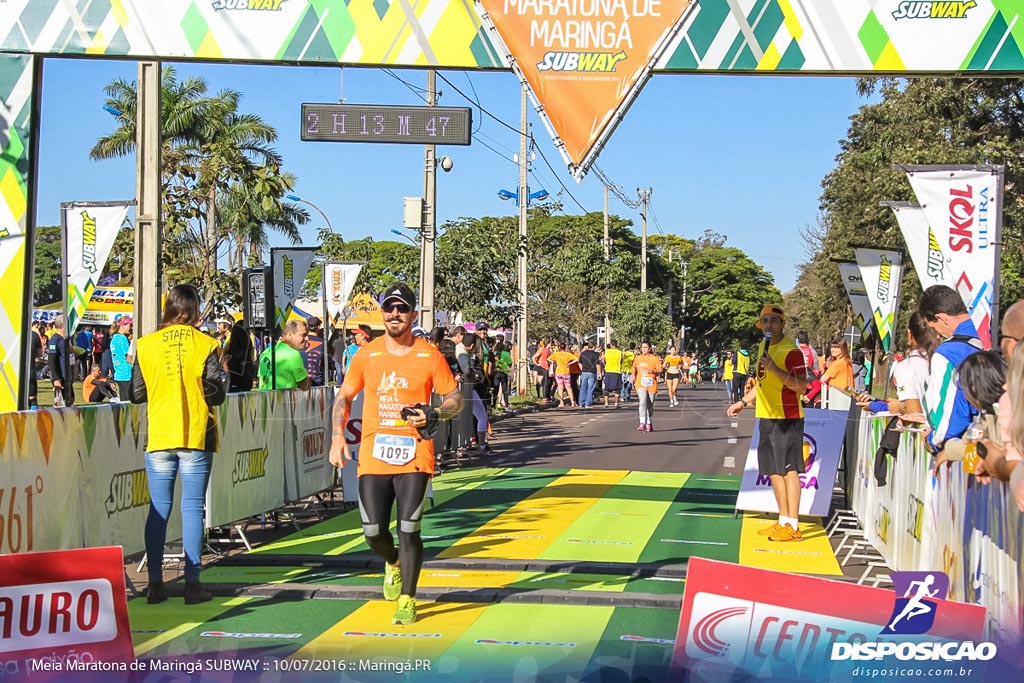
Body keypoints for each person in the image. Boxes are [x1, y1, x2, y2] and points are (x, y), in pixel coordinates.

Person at [328, 283, 462, 625]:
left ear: (413, 314)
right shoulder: (367, 353)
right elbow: (344, 396)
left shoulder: (429, 354)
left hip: (415, 453)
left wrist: (435, 413)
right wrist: (336, 437)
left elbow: (454, 399)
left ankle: (408, 598)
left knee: (409, 527)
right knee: (372, 531)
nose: (394, 314)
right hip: (374, 453)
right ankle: (392, 563)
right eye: (389, 308)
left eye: (402, 309)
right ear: (383, 314)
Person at [130, 284, 227, 605]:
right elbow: (217, 393)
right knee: (191, 509)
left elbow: (135, 394)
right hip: (197, 434)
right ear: (196, 310)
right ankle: (192, 584)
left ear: (168, 309)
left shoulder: (146, 346)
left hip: (159, 434)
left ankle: (155, 585)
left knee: (158, 510)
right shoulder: (207, 343)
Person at [727, 304, 808, 542]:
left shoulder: (790, 351)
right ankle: (783, 520)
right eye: (765, 321)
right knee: (773, 471)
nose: (769, 325)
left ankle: (793, 524)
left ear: (782, 324)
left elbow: (801, 386)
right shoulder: (763, 347)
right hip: (766, 415)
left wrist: (775, 369)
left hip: (787, 417)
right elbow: (761, 383)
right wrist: (743, 401)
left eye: (774, 320)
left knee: (788, 469)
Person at [918, 284, 982, 453]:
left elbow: (949, 423)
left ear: (942, 318)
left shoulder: (947, 353)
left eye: (933, 327)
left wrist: (931, 440)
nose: (937, 335)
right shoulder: (993, 331)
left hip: (974, 453)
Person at [257, 320, 311, 390]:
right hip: (284, 400)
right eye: (303, 335)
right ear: (290, 335)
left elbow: (260, 379)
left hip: (264, 399)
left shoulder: (266, 353)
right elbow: (304, 386)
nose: (307, 338)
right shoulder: (293, 355)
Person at [631, 341, 663, 432]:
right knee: (642, 400)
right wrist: (633, 375)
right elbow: (634, 368)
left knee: (650, 403)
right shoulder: (638, 358)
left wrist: (653, 371)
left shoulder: (654, 358)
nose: (643, 349)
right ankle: (642, 423)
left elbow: (660, 369)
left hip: (651, 383)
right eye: (642, 347)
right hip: (640, 382)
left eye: (645, 347)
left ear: (649, 349)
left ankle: (649, 423)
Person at [47, 314, 75, 407]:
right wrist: (56, 379)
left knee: (71, 399)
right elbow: (51, 359)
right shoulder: (54, 339)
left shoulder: (67, 339)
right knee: (61, 402)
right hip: (60, 376)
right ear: (63, 325)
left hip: (67, 375)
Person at [222, 318, 256, 392]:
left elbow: (224, 363)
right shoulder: (248, 344)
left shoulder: (229, 345)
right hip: (246, 380)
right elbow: (251, 360)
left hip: (233, 381)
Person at [548, 342, 578, 407]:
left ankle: (561, 402)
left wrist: (554, 362)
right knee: (569, 388)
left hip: (558, 372)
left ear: (559, 347)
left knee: (560, 387)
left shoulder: (556, 354)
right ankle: (572, 401)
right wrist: (569, 364)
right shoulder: (568, 354)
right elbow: (576, 359)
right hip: (566, 372)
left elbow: (549, 359)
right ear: (565, 347)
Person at [110, 317, 134, 398]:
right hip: (126, 373)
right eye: (129, 326)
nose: (130, 328)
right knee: (127, 401)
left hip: (118, 373)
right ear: (123, 326)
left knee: (124, 400)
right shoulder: (122, 339)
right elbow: (128, 356)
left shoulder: (114, 338)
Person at [302, 316, 326, 387]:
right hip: (317, 379)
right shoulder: (323, 343)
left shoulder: (301, 341)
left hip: (302, 379)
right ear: (318, 327)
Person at [577, 341, 600, 408]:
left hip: (584, 372)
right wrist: (599, 373)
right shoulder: (596, 354)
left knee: (583, 388)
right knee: (590, 388)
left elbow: (579, 362)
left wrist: (582, 369)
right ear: (593, 347)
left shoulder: (583, 353)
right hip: (592, 372)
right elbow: (597, 364)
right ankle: (588, 403)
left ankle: (581, 403)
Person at [600, 341, 622, 408]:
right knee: (617, 388)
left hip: (608, 371)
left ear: (611, 345)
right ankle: (616, 403)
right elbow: (621, 361)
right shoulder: (620, 352)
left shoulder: (607, 352)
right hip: (617, 371)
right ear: (616, 345)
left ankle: (606, 403)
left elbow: (604, 361)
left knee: (607, 388)